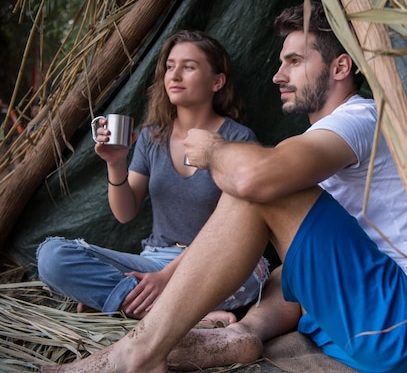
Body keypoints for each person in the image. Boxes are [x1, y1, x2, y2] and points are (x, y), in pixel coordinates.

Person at [42, 2, 407, 373]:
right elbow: (300, 266)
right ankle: (238, 332)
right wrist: (248, 327)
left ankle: (138, 355)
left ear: (340, 67)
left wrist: (216, 149)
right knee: (285, 251)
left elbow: (253, 181)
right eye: (280, 63)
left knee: (258, 187)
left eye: (294, 61)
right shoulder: (326, 143)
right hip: (379, 334)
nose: (279, 75)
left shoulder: (359, 117)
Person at [36, 30, 269, 322]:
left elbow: (231, 231)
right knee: (52, 257)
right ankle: (179, 314)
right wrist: (115, 162)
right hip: (155, 258)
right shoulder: (152, 137)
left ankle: (126, 304)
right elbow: (125, 212)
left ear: (217, 82)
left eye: (189, 66)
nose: (174, 75)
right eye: (170, 66)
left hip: (217, 263)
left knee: (253, 275)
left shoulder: (238, 140)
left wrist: (165, 278)